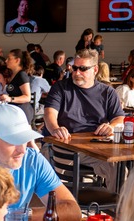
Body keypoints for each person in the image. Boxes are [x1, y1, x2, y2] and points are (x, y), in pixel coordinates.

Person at [43, 49, 125, 190]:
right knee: (45, 164)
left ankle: (117, 209)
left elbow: (119, 117)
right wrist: (55, 128)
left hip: (94, 147)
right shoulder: (61, 87)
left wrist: (111, 126)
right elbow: (49, 113)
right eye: (74, 68)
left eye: (83, 69)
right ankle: (54, 205)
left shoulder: (107, 92)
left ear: (95, 70)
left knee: (120, 169)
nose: (77, 73)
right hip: (63, 144)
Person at [0, 49, 35, 123]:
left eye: (9, 58)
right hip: (14, 111)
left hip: (22, 113)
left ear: (17, 60)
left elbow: (27, 97)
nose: (6, 61)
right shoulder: (13, 75)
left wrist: (10, 99)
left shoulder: (22, 75)